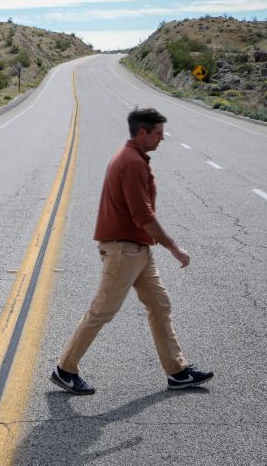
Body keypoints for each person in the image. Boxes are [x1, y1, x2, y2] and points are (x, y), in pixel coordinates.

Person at [50, 107, 212, 394]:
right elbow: (143, 215)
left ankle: (177, 371)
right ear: (142, 133)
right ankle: (65, 369)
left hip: (137, 250)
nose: (162, 139)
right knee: (102, 311)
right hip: (124, 251)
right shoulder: (132, 162)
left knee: (159, 305)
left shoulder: (131, 158)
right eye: (158, 134)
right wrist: (174, 247)